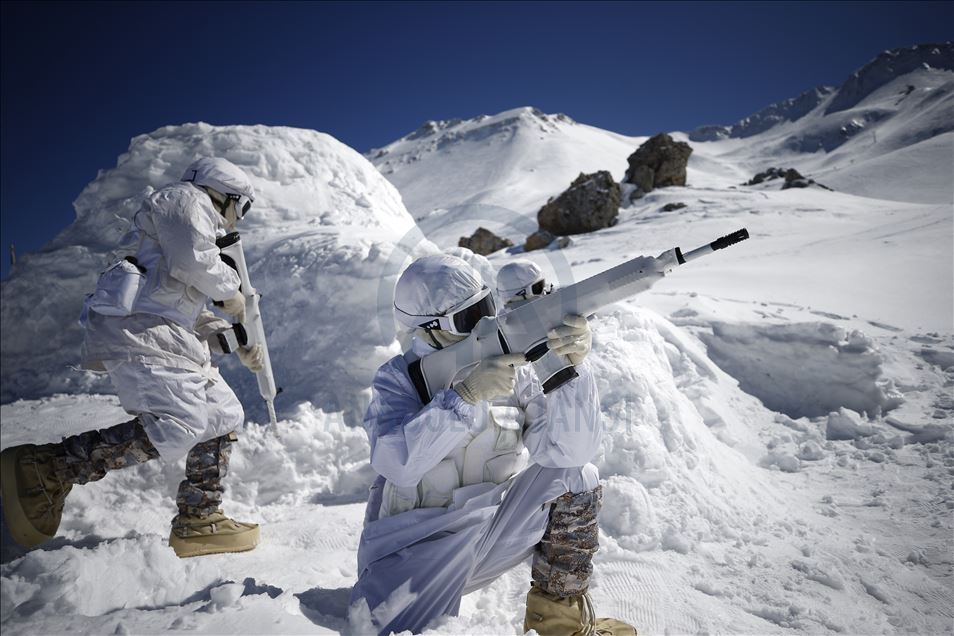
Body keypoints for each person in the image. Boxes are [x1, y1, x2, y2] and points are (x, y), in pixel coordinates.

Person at [350, 254, 635, 635]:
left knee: (576, 475)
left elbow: (570, 451)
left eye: (487, 307)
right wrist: (462, 398)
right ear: (428, 330)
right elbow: (397, 463)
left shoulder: (511, 372)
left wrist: (569, 369)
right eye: (468, 318)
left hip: (488, 535)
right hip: (411, 553)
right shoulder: (398, 379)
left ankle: (558, 622)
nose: (485, 324)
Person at [1, 157, 264, 559]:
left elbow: (186, 301)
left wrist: (237, 342)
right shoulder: (184, 198)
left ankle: (200, 516)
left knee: (223, 415)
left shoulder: (191, 226)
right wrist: (231, 288)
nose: (237, 221)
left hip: (168, 331)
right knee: (179, 426)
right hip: (142, 331)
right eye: (241, 208)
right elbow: (192, 262)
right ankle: (49, 468)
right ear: (226, 195)